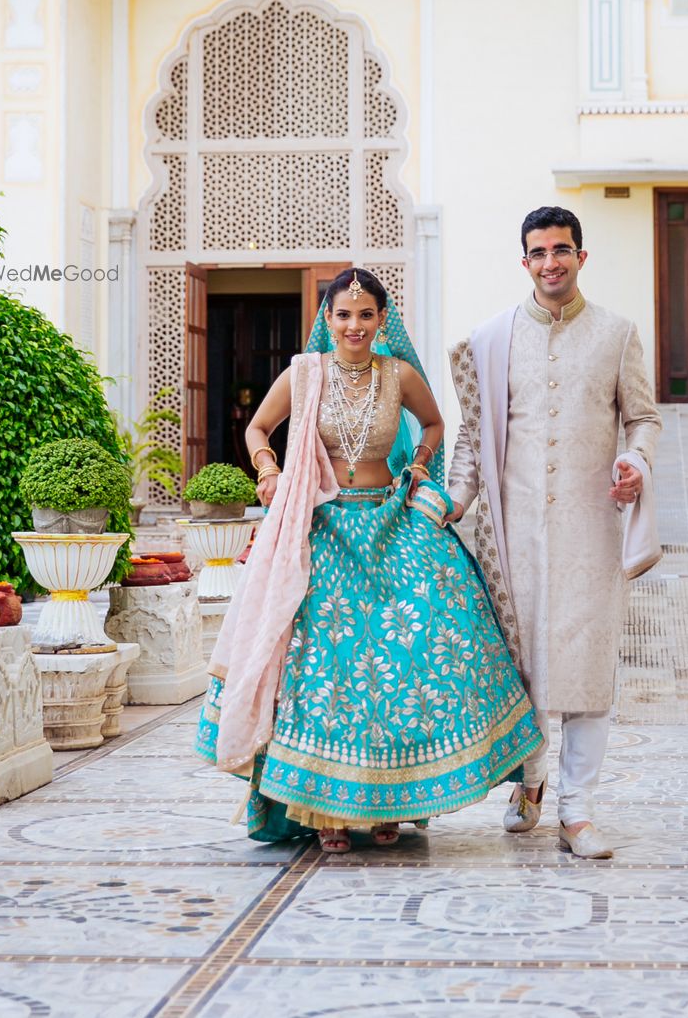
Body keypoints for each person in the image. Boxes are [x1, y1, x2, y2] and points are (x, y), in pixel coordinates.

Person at [196, 267, 543, 853]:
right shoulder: (304, 376)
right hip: (325, 528)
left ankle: (395, 806)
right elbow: (259, 427)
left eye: (365, 315)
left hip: (391, 523)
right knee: (326, 666)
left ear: (383, 320)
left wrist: (420, 464)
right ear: (326, 320)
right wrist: (269, 470)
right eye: (342, 315)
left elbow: (434, 422)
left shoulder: (399, 375)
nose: (353, 326)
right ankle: (326, 812)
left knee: (411, 651)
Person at [447, 207, 662, 857]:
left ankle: (579, 809)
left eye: (562, 250)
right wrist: (451, 502)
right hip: (512, 534)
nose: (551, 262)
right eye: (538, 252)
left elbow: (644, 418)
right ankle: (531, 782)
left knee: (587, 670)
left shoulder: (617, 335)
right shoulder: (492, 338)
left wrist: (637, 463)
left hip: (590, 528)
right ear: (524, 262)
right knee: (524, 670)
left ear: (581, 256)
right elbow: (471, 436)